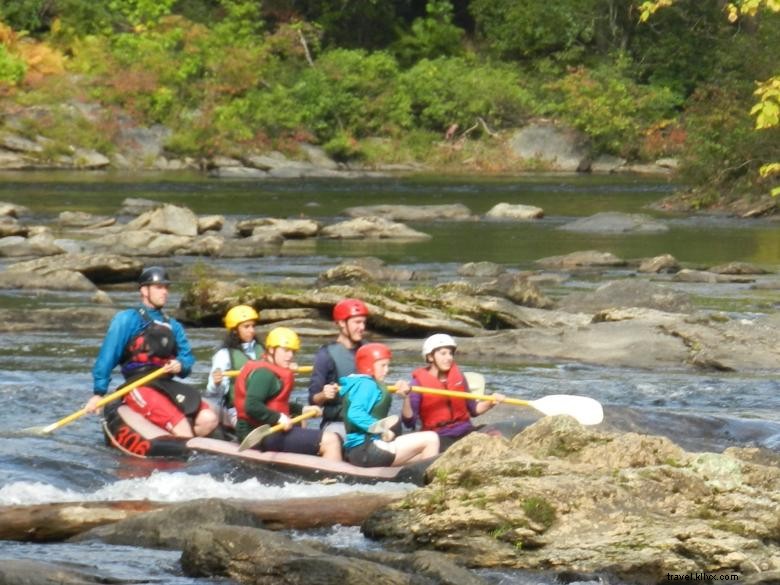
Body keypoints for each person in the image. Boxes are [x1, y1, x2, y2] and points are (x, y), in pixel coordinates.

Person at [87, 266, 218, 438]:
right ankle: (182, 439)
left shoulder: (174, 326)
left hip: (165, 385)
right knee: (183, 431)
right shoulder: (127, 319)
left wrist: (180, 366)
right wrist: (99, 393)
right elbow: (107, 356)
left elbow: (187, 360)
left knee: (209, 419)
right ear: (144, 290)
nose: (164, 292)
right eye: (159, 287)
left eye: (166, 287)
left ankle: (179, 441)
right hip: (138, 385)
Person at [234, 326, 342, 461]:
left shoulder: (271, 369)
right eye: (285, 350)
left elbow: (274, 403)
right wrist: (278, 418)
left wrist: (302, 409)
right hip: (257, 434)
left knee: (300, 420)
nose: (290, 356)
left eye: (292, 351)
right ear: (272, 350)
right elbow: (251, 406)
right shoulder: (264, 374)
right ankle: (333, 479)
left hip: (266, 429)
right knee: (331, 440)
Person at [340, 342, 439, 467]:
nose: (386, 370)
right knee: (432, 439)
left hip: (357, 451)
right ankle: (427, 483)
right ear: (369, 365)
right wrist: (382, 430)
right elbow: (355, 413)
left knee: (420, 454)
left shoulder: (358, 382)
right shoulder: (367, 385)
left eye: (388, 365)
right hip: (368, 451)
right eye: (383, 365)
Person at [402, 333, 505, 452]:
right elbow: (409, 422)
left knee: (495, 435)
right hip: (439, 436)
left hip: (465, 431)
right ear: (430, 357)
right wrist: (406, 398)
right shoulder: (417, 384)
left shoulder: (459, 377)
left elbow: (474, 410)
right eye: (443, 353)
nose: (449, 357)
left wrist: (491, 401)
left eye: (450, 353)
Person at [308, 298, 370, 437]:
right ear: (342, 323)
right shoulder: (325, 355)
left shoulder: (368, 351)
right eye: (357, 322)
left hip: (366, 421)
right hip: (337, 423)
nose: (362, 327)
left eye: (364, 322)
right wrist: (324, 395)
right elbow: (313, 399)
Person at [206, 304, 262, 429]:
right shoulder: (224, 355)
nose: (251, 330)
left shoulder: (262, 350)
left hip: (264, 405)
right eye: (246, 327)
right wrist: (216, 383)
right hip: (236, 410)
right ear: (235, 330)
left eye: (253, 326)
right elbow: (213, 392)